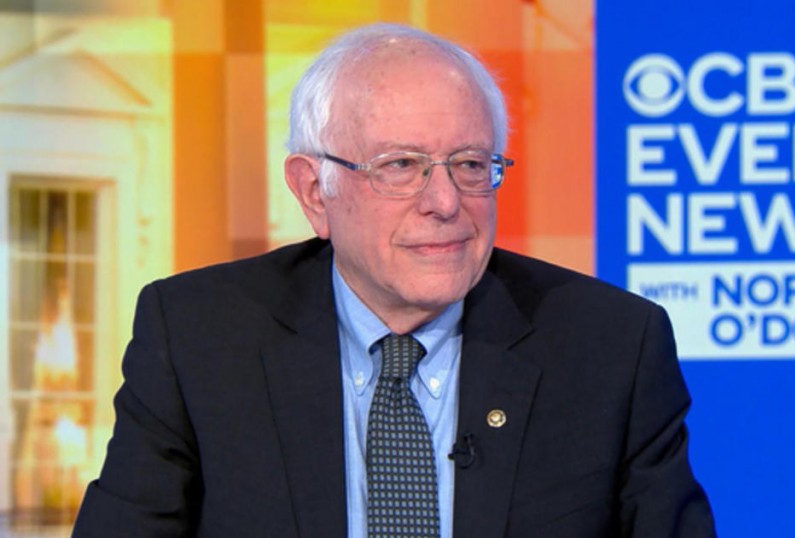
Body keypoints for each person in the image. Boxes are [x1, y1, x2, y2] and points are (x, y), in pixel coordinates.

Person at [72, 23, 715, 537]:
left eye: (470, 164)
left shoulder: (611, 346)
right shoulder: (198, 336)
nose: (445, 201)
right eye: (401, 166)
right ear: (313, 191)